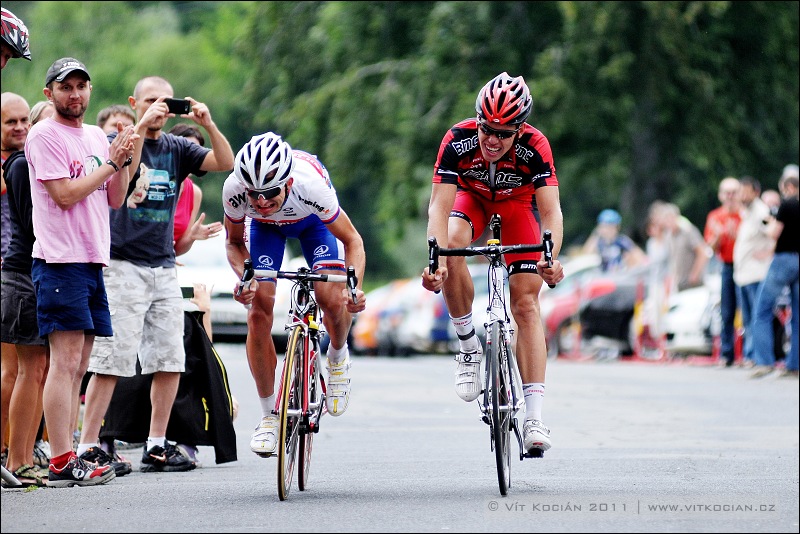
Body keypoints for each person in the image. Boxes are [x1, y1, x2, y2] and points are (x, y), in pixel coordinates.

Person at [78, 75, 235, 474]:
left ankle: (157, 442)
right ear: (134, 102)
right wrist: (141, 124)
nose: (161, 108)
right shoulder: (121, 141)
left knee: (169, 357)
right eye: (151, 100)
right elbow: (120, 179)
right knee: (112, 358)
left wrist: (208, 124)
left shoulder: (178, 148)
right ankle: (88, 444)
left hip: (162, 265)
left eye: (166, 102)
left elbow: (225, 163)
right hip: (122, 263)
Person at [420, 72, 564, 455]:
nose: (492, 140)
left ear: (520, 129)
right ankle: (469, 346)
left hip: (517, 207)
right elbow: (439, 206)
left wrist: (551, 258)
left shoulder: (536, 146)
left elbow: (550, 212)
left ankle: (533, 418)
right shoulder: (457, 139)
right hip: (472, 201)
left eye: (504, 132)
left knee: (526, 304)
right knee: (451, 246)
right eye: (487, 129)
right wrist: (435, 258)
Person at [25, 57, 137, 487]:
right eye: (65, 86)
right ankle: (59, 460)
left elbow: (113, 199)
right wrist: (110, 162)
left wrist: (124, 159)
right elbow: (66, 194)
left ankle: (69, 452)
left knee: (80, 364)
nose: (75, 94)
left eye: (81, 86)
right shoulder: (43, 135)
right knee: (65, 360)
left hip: (91, 258)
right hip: (59, 259)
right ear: (48, 92)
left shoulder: (93, 135)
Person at [224, 132, 366, 457]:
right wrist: (246, 278)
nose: (261, 201)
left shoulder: (310, 187)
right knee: (259, 309)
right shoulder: (234, 189)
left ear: (287, 183)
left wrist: (353, 287)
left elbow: (353, 241)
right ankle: (268, 417)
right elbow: (234, 243)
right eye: (254, 194)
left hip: (314, 224)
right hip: (265, 230)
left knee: (330, 298)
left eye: (270, 192)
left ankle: (338, 357)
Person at [1, 94, 49, 487]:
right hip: (20, 273)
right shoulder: (18, 165)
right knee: (22, 371)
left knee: (38, 370)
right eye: (10, 122)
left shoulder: (28, 161)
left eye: (23, 121)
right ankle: (16, 458)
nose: (19, 127)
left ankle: (25, 452)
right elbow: (37, 224)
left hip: (36, 270)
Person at [750, 165, 799, 379]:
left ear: (788, 186)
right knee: (797, 315)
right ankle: (794, 364)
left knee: (761, 309)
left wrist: (770, 220)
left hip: (784, 259)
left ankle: (764, 361)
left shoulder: (788, 204)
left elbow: (773, 234)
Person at [732, 176, 774, 369]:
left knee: (758, 317)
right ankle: (751, 355)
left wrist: (768, 252)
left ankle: (760, 357)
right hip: (744, 274)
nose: (742, 195)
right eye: (740, 191)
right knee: (748, 319)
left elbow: (774, 232)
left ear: (755, 192)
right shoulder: (746, 213)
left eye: (745, 191)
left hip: (757, 274)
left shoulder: (760, 211)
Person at [703, 177, 742, 367]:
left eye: (733, 192)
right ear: (720, 195)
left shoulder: (744, 214)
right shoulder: (715, 216)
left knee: (748, 310)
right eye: (726, 193)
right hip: (727, 265)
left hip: (745, 265)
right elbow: (709, 247)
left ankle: (750, 353)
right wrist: (718, 235)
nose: (730, 197)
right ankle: (727, 353)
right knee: (726, 310)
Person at [168, 123, 222, 256]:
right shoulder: (155, 178)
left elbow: (178, 249)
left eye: (195, 151)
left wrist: (192, 236)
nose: (190, 156)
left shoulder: (194, 192)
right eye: (185, 149)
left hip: (164, 264)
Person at [657, 202, 709, 292]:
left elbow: (702, 253)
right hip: (680, 283)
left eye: (670, 218)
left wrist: (694, 274)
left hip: (693, 283)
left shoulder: (687, 231)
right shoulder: (669, 236)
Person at [581, 208, 646, 272]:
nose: (608, 230)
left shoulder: (621, 241)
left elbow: (639, 255)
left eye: (611, 227)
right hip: (603, 276)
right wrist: (596, 235)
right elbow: (586, 255)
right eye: (605, 227)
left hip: (619, 274)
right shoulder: (598, 242)